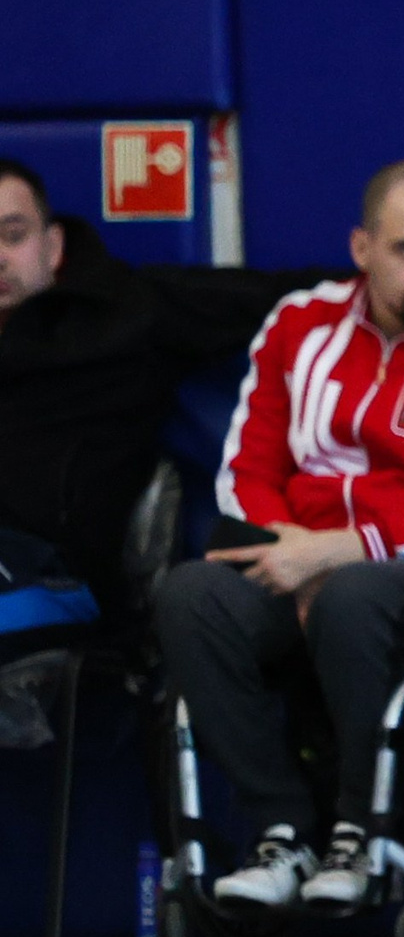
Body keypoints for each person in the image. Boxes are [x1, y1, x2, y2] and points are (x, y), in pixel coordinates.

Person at [155, 161, 404, 908]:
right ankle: (281, 829)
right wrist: (299, 552)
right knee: (190, 592)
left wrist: (345, 550)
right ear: (361, 247)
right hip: (297, 550)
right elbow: (244, 473)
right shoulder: (298, 324)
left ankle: (362, 831)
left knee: (354, 596)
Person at [0, 160, 335, 613]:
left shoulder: (125, 312)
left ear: (54, 246)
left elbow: (285, 297)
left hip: (55, 580)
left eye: (13, 235)